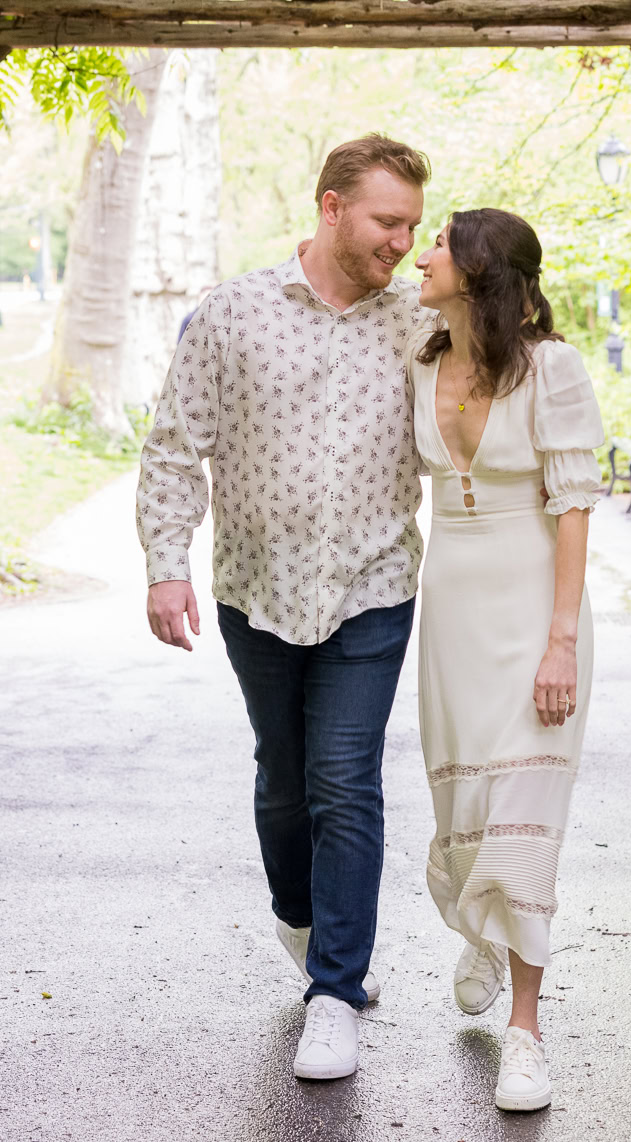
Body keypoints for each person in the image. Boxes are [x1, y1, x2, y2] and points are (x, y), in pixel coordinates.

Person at [136, 134, 432, 1083]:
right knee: (284, 778)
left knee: (346, 779)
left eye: (413, 227)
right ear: (331, 207)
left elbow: (482, 410)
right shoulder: (232, 313)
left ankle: (336, 995)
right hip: (255, 590)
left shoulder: (421, 325)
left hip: (374, 587)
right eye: (389, 222)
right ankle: (306, 926)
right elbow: (177, 445)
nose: (401, 242)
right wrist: (164, 564)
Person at [410, 208, 605, 1113]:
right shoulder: (418, 358)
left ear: (479, 274)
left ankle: (526, 1033)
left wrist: (560, 641)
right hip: (449, 612)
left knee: (524, 817)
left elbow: (573, 506)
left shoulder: (552, 369)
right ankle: (481, 937)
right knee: (466, 803)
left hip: (534, 615)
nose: (421, 257)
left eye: (439, 248)